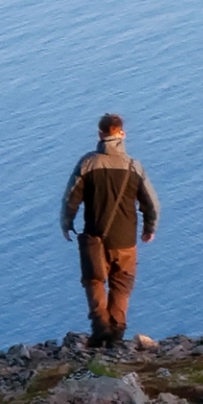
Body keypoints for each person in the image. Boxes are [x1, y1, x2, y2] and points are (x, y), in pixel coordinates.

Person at [57, 112, 160, 346]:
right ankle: (117, 331)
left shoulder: (87, 163)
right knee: (121, 284)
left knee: (93, 281)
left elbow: (71, 198)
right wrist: (149, 228)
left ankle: (101, 326)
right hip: (126, 239)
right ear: (122, 134)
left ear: (100, 134)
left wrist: (67, 223)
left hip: (95, 236)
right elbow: (151, 203)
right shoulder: (134, 167)